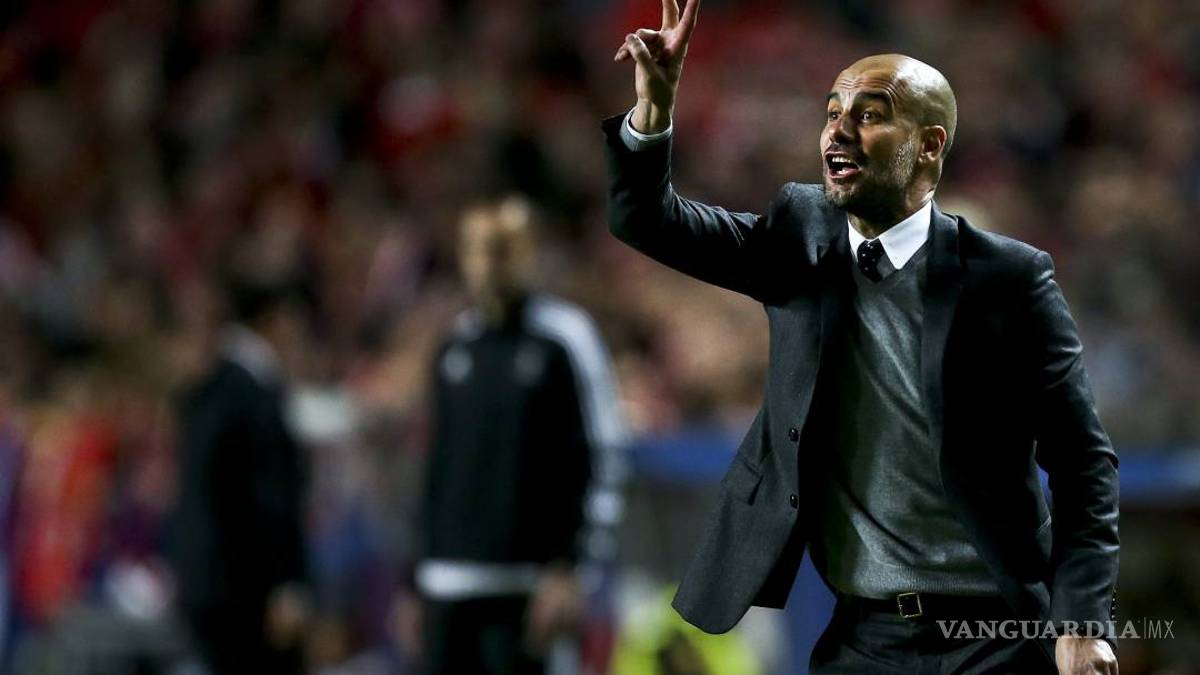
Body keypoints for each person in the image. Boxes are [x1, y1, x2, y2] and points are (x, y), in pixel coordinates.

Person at [604, 1, 1119, 673]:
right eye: (832, 112)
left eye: (870, 114)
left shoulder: (1008, 279)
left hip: (997, 633)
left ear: (929, 145)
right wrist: (654, 112)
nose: (838, 131)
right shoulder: (800, 232)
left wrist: (1082, 622)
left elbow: (1083, 464)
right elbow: (647, 220)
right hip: (863, 635)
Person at [416, 196, 627, 675]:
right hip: (448, 582)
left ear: (531, 253)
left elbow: (602, 454)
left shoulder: (565, 339)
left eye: (505, 249)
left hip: (530, 587)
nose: (491, 263)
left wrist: (574, 568)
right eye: (480, 249)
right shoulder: (454, 347)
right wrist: (418, 575)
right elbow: (437, 465)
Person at [169, 281, 311, 674]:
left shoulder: (208, 387)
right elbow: (269, 497)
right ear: (275, 320)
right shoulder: (254, 392)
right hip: (245, 588)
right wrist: (286, 582)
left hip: (202, 580)